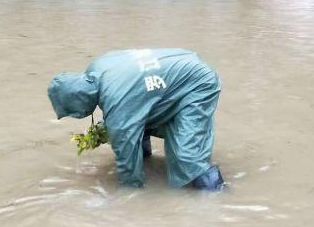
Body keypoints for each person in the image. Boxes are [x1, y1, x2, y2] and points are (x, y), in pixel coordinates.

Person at [47, 48, 224, 190]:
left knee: (188, 157)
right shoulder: (96, 67)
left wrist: (129, 191)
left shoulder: (117, 98)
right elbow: (130, 104)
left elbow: (126, 150)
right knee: (136, 115)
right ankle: (146, 156)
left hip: (197, 82)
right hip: (182, 62)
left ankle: (216, 196)